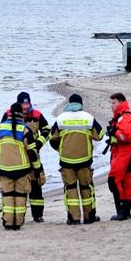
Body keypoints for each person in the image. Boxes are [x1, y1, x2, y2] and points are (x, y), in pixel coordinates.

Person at [49, 93, 104, 225]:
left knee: (70, 188)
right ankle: (89, 217)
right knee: (86, 187)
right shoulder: (89, 118)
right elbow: (100, 135)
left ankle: (73, 218)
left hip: (66, 160)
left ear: (69, 103)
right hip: (85, 160)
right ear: (81, 104)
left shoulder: (61, 119)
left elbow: (52, 138)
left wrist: (61, 149)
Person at [0, 102, 43, 230]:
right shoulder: (25, 130)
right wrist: (37, 168)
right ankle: (18, 223)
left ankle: (8, 223)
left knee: (8, 197)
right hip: (22, 169)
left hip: (4, 169)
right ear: (21, 114)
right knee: (20, 196)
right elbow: (32, 152)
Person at [17, 91, 51, 222]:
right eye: (22, 104)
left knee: (36, 184)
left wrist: (38, 143)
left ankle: (38, 215)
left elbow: (47, 130)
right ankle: (20, 215)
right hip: (18, 156)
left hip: (34, 154)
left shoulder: (37, 115)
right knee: (20, 185)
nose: (25, 106)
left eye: (27, 103)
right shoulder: (10, 114)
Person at [107, 92, 131, 221]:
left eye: (113, 103)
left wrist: (114, 132)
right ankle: (125, 212)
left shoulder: (125, 117)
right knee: (125, 180)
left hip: (125, 151)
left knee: (114, 180)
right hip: (121, 150)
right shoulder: (121, 117)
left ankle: (122, 211)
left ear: (120, 102)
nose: (111, 106)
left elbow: (127, 136)